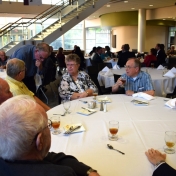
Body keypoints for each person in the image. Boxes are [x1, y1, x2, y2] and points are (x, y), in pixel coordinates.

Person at [0, 95, 100, 176]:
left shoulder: (15, 156)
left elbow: (49, 157)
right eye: (47, 125)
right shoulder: (61, 174)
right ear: (40, 141)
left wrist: (87, 171)